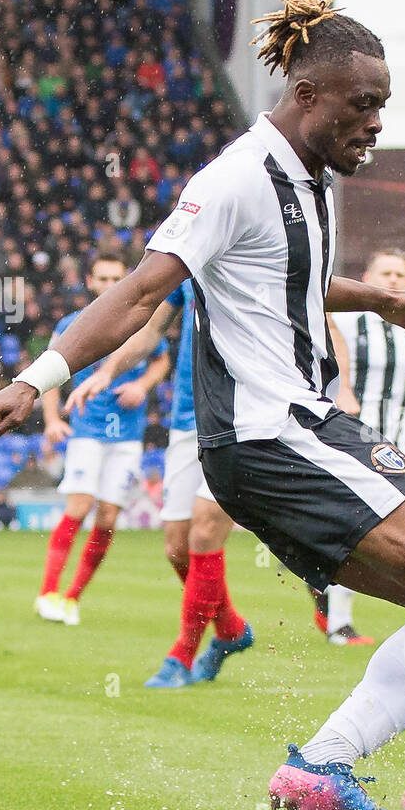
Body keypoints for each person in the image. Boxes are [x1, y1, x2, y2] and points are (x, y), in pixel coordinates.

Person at [0, 0, 405, 810]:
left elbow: (290, 278)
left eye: (383, 106)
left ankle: (321, 771)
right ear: (306, 97)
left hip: (292, 424)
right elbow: (140, 289)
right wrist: (35, 379)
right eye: (361, 105)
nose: (375, 123)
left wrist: (377, 300)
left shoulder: (313, 180)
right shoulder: (232, 179)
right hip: (272, 429)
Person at [63, 279, 254, 687]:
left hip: (245, 415)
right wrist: (109, 372)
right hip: (188, 417)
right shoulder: (189, 262)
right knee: (177, 548)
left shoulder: (259, 253)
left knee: (205, 531)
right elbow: (150, 331)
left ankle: (181, 657)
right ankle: (231, 630)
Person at [312, 246, 405, 645]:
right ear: (367, 279)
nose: (394, 281)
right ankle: (338, 621)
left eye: (401, 275)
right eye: (386, 273)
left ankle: (334, 596)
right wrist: (345, 393)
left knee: (392, 526)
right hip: (353, 432)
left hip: (395, 437)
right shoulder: (349, 319)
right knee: (359, 524)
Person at [34, 253, 171, 627]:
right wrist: (50, 419)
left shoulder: (141, 321)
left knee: (108, 519)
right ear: (91, 282)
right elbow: (48, 370)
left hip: (128, 435)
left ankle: (73, 597)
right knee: (79, 508)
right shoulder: (71, 323)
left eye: (116, 279)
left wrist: (142, 385)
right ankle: (48, 592)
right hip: (88, 430)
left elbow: (161, 360)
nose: (109, 286)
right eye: (102, 279)